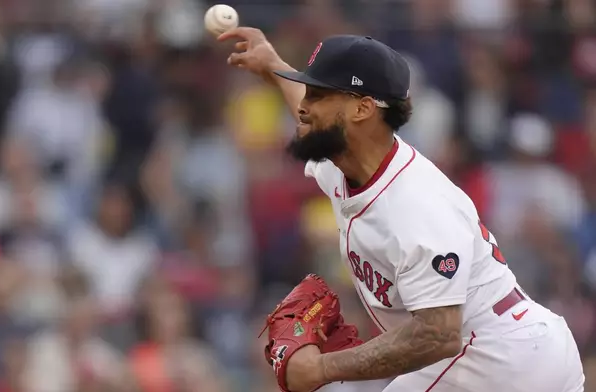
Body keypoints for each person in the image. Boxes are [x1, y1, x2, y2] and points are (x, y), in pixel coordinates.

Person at [217, 28, 585, 392]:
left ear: (362, 108)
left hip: (498, 359)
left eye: (318, 94)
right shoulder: (345, 159)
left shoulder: (417, 207)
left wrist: (320, 368)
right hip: (502, 349)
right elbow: (311, 116)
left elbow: (438, 335)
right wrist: (274, 66)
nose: (303, 107)